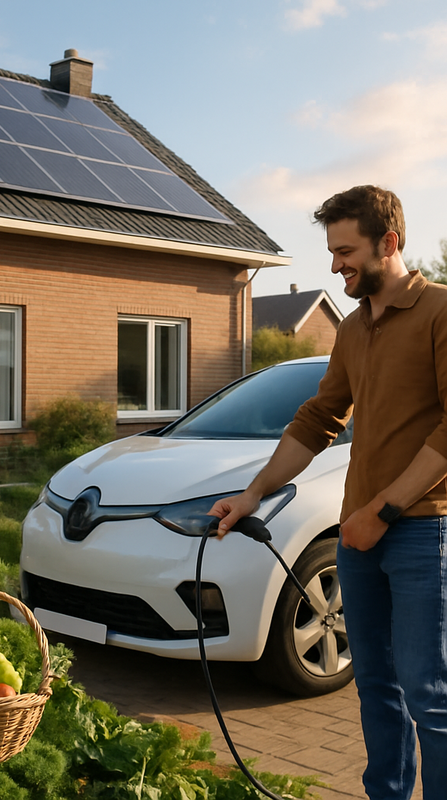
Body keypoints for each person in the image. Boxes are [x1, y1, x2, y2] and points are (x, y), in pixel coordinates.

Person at [209, 185, 447, 800]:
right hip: (359, 535)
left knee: (429, 692)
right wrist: (253, 493)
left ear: (388, 243)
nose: (336, 264)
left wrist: (384, 510)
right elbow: (318, 419)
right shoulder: (352, 330)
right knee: (375, 683)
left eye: (346, 251)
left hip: (424, 532)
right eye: (332, 251)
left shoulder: (441, 312)